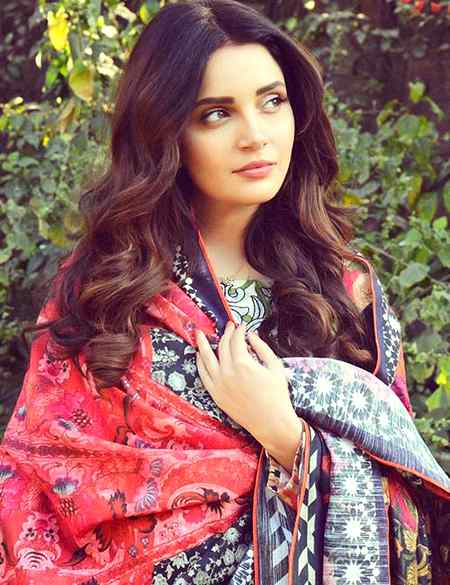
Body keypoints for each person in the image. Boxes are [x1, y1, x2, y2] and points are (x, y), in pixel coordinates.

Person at [0, 0, 449, 583]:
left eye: (272, 101)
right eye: (216, 114)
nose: (255, 136)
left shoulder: (345, 291)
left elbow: (410, 507)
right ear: (166, 132)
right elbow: (38, 483)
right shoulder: (107, 291)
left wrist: (285, 436)